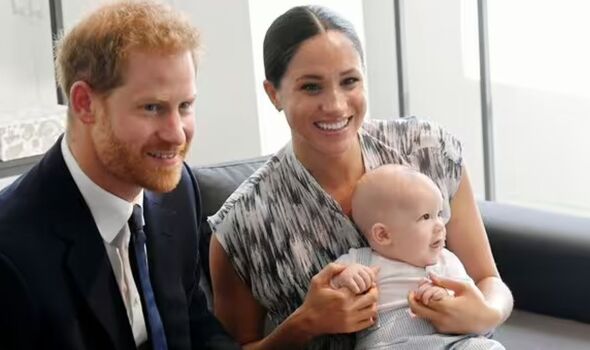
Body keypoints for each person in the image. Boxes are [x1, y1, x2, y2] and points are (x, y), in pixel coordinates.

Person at [209, 5, 513, 349]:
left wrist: (485, 314)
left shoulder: (427, 150)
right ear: (274, 93)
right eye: (311, 87)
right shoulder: (242, 225)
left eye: (349, 81)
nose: (336, 105)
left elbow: (490, 279)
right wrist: (305, 323)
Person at [0, 1, 239, 349]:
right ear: (84, 103)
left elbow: (192, 322)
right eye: (152, 108)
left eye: (185, 105)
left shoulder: (177, 190)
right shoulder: (10, 254)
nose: (176, 134)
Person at [331, 164, 505, 349]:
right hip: (389, 343)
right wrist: (345, 277)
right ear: (383, 235)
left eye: (439, 214)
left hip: (451, 342)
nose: (440, 225)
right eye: (425, 217)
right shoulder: (361, 261)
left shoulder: (448, 261)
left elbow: (471, 304)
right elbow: (328, 286)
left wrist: (446, 298)